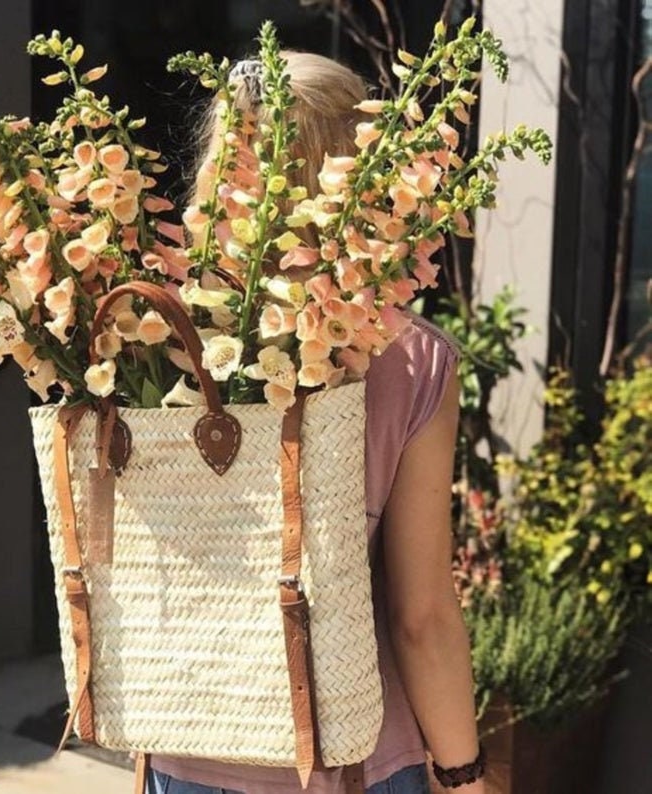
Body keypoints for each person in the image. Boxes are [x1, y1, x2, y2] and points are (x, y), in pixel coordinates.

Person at [148, 51, 485, 794]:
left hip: (187, 751)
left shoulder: (156, 335)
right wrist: (465, 772)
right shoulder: (412, 360)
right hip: (356, 760)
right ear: (368, 160)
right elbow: (421, 616)